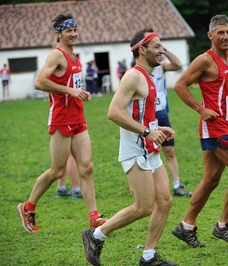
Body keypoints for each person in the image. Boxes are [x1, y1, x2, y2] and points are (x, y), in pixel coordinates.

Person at [82, 28, 178, 266]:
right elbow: (113, 112)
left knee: (164, 201)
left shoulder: (149, 75)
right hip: (136, 150)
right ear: (142, 50)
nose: (161, 51)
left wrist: (158, 128)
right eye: (157, 46)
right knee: (143, 206)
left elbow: (141, 113)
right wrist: (147, 131)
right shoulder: (133, 75)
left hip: (150, 149)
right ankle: (95, 235)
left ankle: (148, 256)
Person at [170, 14, 228, 248]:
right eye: (220, 33)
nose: (225, 36)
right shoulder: (204, 60)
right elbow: (180, 86)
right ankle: (224, 225)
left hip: (224, 125)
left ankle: (186, 226)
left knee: (211, 179)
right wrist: (200, 109)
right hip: (215, 127)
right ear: (210, 35)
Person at [17, 13, 106, 234]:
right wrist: (70, 91)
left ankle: (94, 217)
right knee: (57, 171)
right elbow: (39, 82)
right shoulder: (56, 55)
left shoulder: (74, 56)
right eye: (69, 31)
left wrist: (80, 93)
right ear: (59, 34)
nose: (74, 34)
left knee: (87, 167)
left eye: (75, 30)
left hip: (78, 118)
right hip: (61, 119)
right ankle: (28, 208)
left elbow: (71, 84)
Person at [153, 50, 192, 197]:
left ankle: (177, 186)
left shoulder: (161, 66)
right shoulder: (136, 71)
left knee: (169, 151)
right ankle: (144, 187)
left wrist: (164, 51)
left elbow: (177, 64)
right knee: (147, 153)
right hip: (145, 117)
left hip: (162, 114)